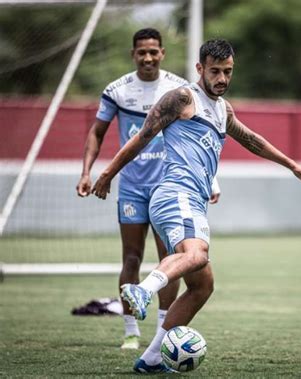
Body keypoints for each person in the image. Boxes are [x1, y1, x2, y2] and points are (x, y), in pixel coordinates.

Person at [92, 39, 301, 373]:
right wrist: (108, 173)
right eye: (215, 71)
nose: (222, 78)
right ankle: (142, 291)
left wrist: (292, 165)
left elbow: (252, 140)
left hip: (192, 200)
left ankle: (151, 358)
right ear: (200, 69)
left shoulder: (223, 109)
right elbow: (140, 138)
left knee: (202, 285)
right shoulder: (183, 98)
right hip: (174, 195)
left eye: (227, 71)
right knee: (196, 255)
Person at [76, 28, 221, 350]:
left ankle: (162, 331)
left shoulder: (177, 89)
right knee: (130, 257)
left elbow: (201, 141)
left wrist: (212, 179)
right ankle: (130, 332)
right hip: (132, 186)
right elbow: (97, 132)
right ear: (133, 55)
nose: (148, 57)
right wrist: (88, 172)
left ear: (162, 53)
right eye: (142, 52)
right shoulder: (117, 90)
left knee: (171, 257)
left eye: (153, 51)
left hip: (167, 184)